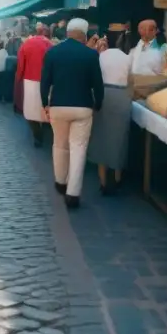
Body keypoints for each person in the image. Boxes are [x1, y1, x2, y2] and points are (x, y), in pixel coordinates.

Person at [40, 18, 105, 208]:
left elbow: (45, 81)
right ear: (84, 35)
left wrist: (45, 103)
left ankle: (60, 181)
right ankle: (73, 193)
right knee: (78, 148)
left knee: (59, 144)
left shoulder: (53, 52)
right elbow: (97, 85)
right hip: (83, 107)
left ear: (67, 32)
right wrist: (98, 103)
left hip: (58, 105)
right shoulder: (90, 55)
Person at [87, 45, 133, 194]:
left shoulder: (100, 57)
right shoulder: (127, 58)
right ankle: (117, 178)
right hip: (122, 96)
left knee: (101, 136)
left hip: (103, 94)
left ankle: (103, 181)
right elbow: (131, 81)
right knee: (119, 138)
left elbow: (93, 78)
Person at [14, 23, 52, 147]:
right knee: (46, 108)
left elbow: (20, 64)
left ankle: (37, 136)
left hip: (30, 80)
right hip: (48, 80)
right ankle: (48, 134)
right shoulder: (51, 45)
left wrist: (19, 77)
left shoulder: (27, 44)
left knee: (31, 111)